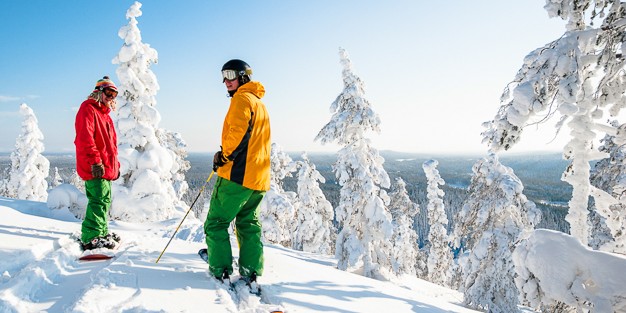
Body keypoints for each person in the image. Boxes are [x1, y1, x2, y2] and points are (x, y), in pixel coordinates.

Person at [204, 59, 271, 285]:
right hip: (258, 178)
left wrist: (224, 156)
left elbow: (238, 133)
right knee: (248, 223)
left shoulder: (242, 99)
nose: (226, 80)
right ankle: (250, 269)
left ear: (243, 75)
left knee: (216, 222)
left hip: (237, 176)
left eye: (230, 74)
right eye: (223, 75)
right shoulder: (258, 103)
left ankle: (220, 267)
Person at [74, 76, 122, 250]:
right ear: (99, 92)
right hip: (95, 167)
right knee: (98, 200)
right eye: (108, 92)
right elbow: (85, 138)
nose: (111, 97)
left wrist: (115, 165)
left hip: (105, 167)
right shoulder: (88, 109)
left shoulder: (105, 116)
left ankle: (101, 233)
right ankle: (91, 237)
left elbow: (110, 146)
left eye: (114, 94)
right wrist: (95, 161)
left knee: (104, 200)